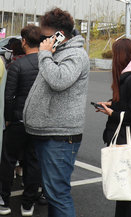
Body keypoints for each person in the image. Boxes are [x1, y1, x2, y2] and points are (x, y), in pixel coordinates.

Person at [23, 8, 89, 217]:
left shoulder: (75, 54)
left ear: (60, 34)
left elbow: (59, 80)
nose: (42, 39)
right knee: (53, 195)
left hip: (60, 137)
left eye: (46, 35)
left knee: (58, 195)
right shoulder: (58, 52)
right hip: (48, 133)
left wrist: (44, 54)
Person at [97, 38, 131, 217]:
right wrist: (112, 104)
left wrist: (112, 113)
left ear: (119, 57)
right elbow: (130, 104)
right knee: (124, 187)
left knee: (130, 189)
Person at [0, 25, 41, 216]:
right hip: (39, 122)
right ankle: (28, 204)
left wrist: (8, 119)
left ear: (24, 41)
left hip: (17, 119)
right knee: (33, 161)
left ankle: (3, 200)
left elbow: (9, 97)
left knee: (8, 160)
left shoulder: (16, 65)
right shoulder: (47, 63)